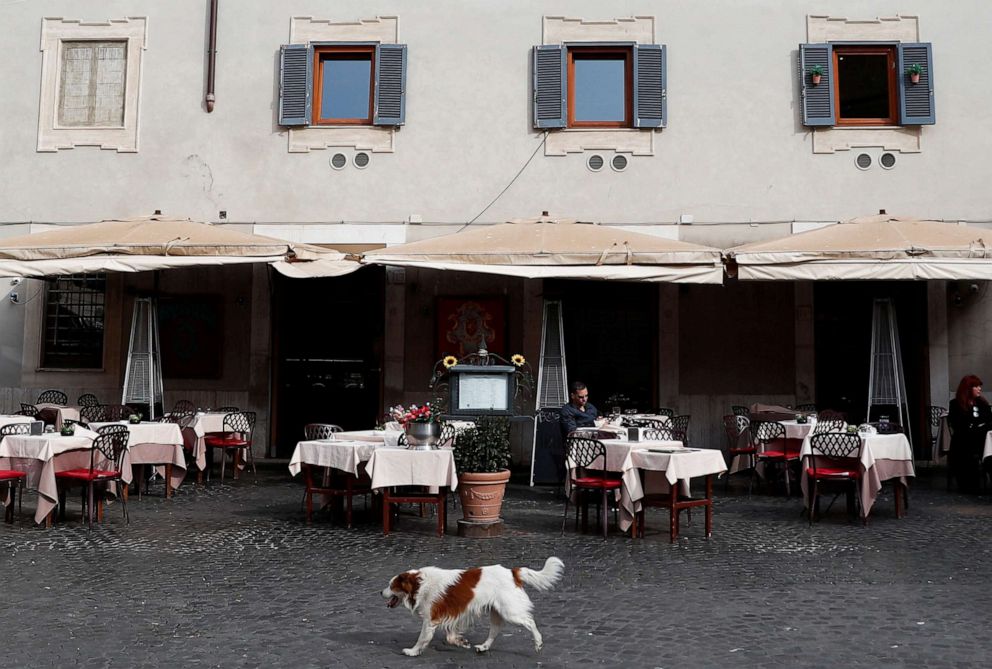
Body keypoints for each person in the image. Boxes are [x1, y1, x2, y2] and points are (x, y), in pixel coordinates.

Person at [947, 374, 991, 493]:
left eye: (979, 386)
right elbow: (960, 426)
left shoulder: (982, 403)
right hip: (963, 443)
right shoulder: (956, 404)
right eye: (976, 386)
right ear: (967, 388)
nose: (979, 389)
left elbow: (989, 421)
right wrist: (977, 425)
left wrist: (976, 426)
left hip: (982, 440)